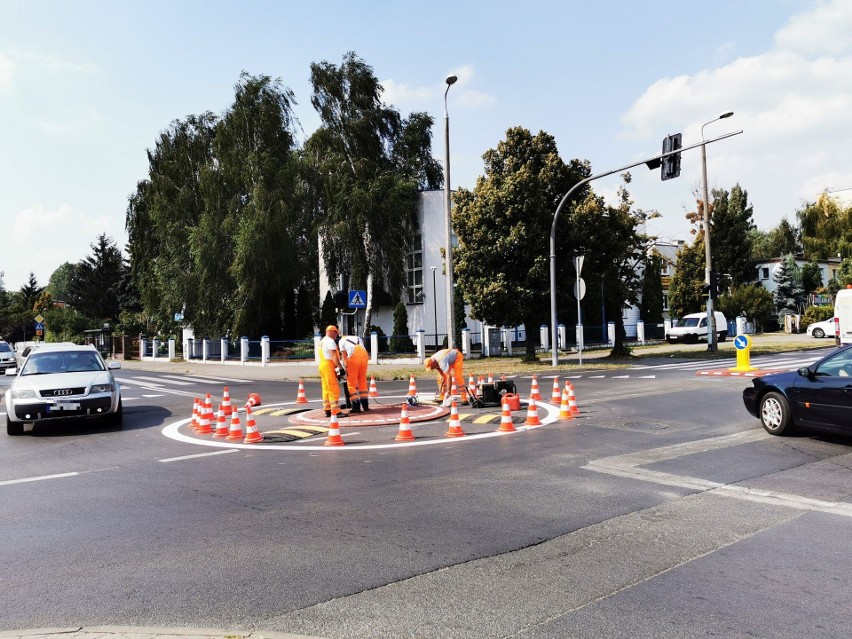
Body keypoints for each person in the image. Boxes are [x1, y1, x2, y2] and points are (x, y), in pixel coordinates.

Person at [318, 325, 346, 418]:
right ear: (331, 332)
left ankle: (327, 409)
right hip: (329, 366)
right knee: (334, 388)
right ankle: (336, 410)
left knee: (326, 388)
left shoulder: (322, 341)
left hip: (322, 365)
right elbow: (333, 356)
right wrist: (340, 367)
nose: (336, 335)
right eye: (336, 333)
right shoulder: (330, 342)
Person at [339, 334, 370, 412]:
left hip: (354, 357)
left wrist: (344, 368)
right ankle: (365, 405)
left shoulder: (341, 341)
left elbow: (344, 356)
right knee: (362, 381)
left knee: (351, 384)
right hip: (364, 356)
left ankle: (356, 406)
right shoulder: (358, 338)